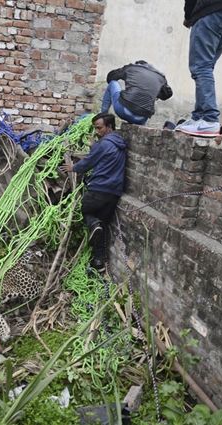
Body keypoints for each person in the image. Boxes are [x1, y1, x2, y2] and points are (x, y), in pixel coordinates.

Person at [59, 113, 127, 273]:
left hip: (98, 189)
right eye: (95, 128)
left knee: (85, 211)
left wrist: (74, 168)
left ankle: (93, 224)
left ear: (109, 127)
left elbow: (88, 162)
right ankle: (98, 262)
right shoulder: (120, 144)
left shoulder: (102, 144)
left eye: (99, 128)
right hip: (114, 193)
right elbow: (105, 157)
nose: (96, 131)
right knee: (102, 226)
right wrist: (95, 146)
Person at [175, 0, 222, 137]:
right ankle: (198, 117)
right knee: (206, 66)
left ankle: (209, 119)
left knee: (201, 66)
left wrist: (188, 15)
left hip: (210, 8)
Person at [101, 61, 173, 126]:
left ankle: (102, 116)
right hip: (142, 118)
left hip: (124, 111)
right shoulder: (160, 77)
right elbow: (167, 95)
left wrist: (126, 75)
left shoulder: (132, 68)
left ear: (138, 64)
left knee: (113, 83)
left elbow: (110, 78)